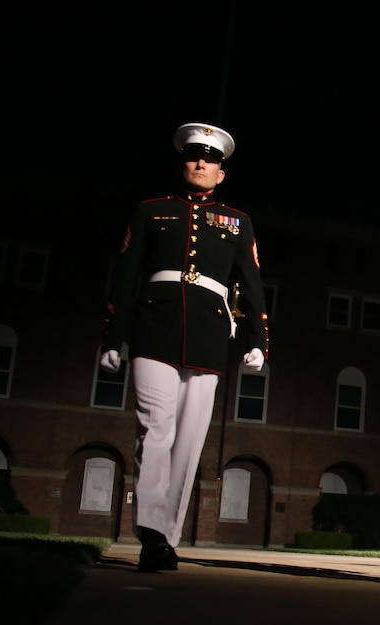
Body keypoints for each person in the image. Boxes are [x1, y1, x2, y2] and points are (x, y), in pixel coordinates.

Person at [101, 122, 269, 572]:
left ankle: (168, 535)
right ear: (184, 163)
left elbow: (250, 284)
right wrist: (113, 335)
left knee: (190, 440)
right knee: (155, 430)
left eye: (210, 160)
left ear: (221, 173)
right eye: (195, 156)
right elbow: (126, 272)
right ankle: (152, 532)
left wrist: (258, 340)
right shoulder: (151, 210)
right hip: (155, 326)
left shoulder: (237, 221)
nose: (201, 163)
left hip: (210, 333)